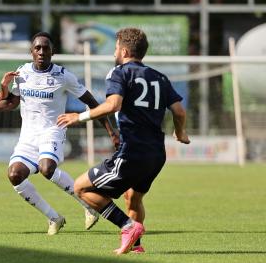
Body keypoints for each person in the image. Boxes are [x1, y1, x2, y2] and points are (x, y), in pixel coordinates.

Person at [0, 32, 119, 235]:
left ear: (53, 51)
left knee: (46, 168)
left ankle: (88, 204)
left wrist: (112, 131)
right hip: (28, 136)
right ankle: (54, 217)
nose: (42, 51)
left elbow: (93, 103)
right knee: (15, 175)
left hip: (53, 131)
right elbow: (9, 104)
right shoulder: (23, 72)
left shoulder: (63, 75)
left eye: (46, 48)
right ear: (31, 52)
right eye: (38, 48)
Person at [57, 27, 190, 254]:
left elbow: (113, 105)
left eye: (116, 47)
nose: (115, 52)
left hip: (132, 153)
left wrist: (78, 117)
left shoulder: (119, 73)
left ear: (125, 51)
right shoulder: (159, 77)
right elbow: (179, 111)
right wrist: (180, 133)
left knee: (81, 188)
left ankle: (127, 226)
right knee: (133, 197)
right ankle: (136, 247)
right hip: (156, 155)